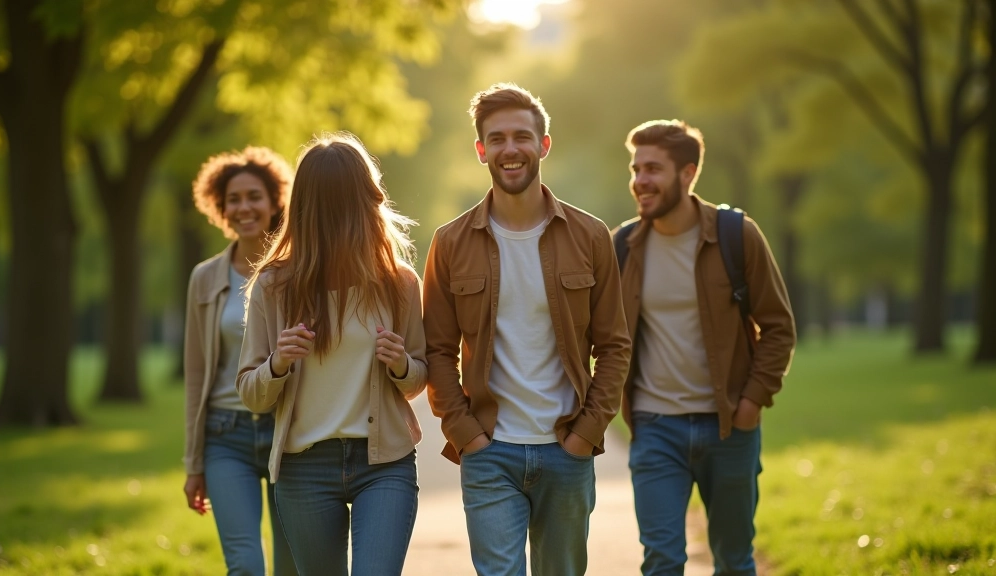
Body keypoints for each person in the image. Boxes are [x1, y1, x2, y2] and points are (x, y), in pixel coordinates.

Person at [422, 82, 632, 576]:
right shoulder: (450, 242)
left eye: (521, 136)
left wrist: (587, 432)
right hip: (489, 452)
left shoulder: (590, 236)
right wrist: (466, 433)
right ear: (480, 150)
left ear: (543, 144)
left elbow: (615, 345)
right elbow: (435, 350)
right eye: (496, 139)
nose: (509, 149)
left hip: (566, 449)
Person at [236, 132, 427, 576]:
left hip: (384, 465)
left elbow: (419, 377)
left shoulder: (399, 283)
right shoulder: (273, 285)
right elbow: (251, 393)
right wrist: (277, 363)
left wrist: (401, 363)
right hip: (305, 469)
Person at [614, 119, 796, 576]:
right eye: (636, 169)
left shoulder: (736, 235)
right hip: (656, 429)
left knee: (734, 561)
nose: (641, 181)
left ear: (688, 173)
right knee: (662, 560)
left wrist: (752, 403)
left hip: (728, 428)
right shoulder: (623, 247)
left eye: (653, 169)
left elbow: (778, 326)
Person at [183, 146, 299, 576]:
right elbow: (196, 374)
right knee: (246, 566)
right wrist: (194, 464)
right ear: (221, 207)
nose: (244, 207)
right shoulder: (205, 277)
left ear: (274, 202)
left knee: (294, 567)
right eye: (234, 199)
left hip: (287, 434)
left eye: (254, 196)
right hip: (224, 437)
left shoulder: (297, 268)